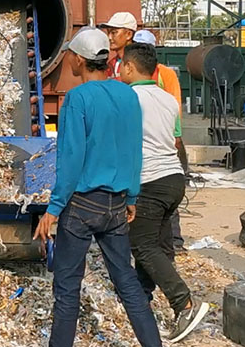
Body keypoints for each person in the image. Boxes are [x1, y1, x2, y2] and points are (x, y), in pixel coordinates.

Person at [34, 27, 162, 347]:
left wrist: (53, 208)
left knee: (67, 288)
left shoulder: (77, 98)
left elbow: (71, 158)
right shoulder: (127, 95)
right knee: (127, 283)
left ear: (78, 59)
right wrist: (131, 195)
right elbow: (134, 149)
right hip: (116, 204)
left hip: (82, 204)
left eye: (70, 57)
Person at [119, 43, 209, 342]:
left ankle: (183, 302)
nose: (119, 69)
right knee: (157, 244)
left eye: (121, 64)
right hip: (173, 178)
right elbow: (176, 140)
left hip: (151, 180)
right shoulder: (168, 100)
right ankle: (141, 300)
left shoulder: (129, 98)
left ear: (130, 67)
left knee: (142, 245)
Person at [133, 30, 189, 252]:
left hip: (166, 138)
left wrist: (175, 136)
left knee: (163, 187)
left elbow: (174, 104)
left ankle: (174, 240)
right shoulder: (128, 72)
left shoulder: (165, 74)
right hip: (146, 140)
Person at [100, 12, 138, 79]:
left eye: (114, 33)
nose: (109, 37)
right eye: (108, 32)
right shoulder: (111, 64)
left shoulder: (140, 63)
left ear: (129, 34)